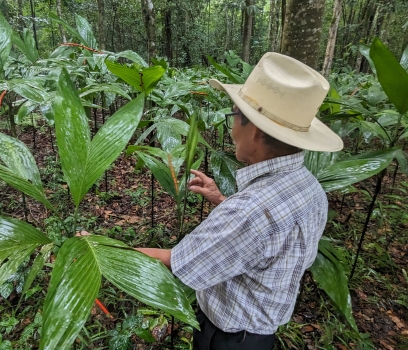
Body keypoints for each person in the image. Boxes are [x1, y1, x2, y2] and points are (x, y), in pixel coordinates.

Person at [135, 52, 343, 350]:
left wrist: (102, 249)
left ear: (254, 130)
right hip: (261, 335)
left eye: (234, 116)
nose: (231, 129)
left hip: (229, 339)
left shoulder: (248, 212)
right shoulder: (310, 188)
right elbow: (270, 239)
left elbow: (181, 262)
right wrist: (221, 200)